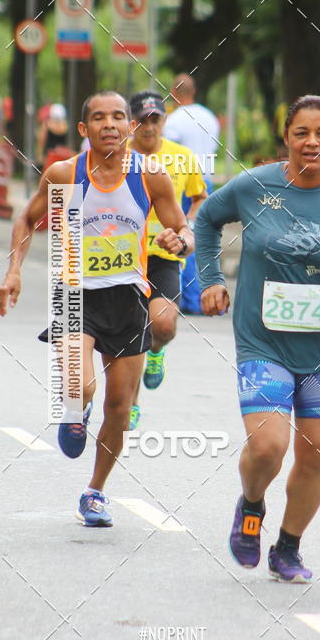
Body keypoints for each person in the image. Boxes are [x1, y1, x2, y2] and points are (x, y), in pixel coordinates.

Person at [195, 95, 320, 581]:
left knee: (316, 454)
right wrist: (211, 280)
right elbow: (205, 219)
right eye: (301, 132)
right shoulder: (254, 185)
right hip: (262, 340)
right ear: (286, 136)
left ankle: (288, 547)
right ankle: (251, 504)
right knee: (268, 445)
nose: (312, 142)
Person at [0, 91, 193, 528]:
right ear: (83, 129)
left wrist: (179, 240)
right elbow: (26, 219)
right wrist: (14, 272)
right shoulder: (65, 174)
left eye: (118, 117)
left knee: (119, 407)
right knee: (80, 386)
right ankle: (75, 407)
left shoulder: (150, 176)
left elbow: (182, 228)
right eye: (99, 118)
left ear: (130, 126)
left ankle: (95, 491)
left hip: (128, 296)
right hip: (74, 293)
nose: (110, 125)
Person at [128, 90, 207, 429]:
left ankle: (156, 351)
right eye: (142, 121)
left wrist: (187, 227)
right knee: (130, 335)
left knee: (162, 325)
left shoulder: (181, 157)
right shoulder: (117, 157)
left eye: (155, 120)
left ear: (164, 121)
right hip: (125, 258)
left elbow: (199, 196)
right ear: (132, 124)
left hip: (164, 255)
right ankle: (130, 403)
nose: (149, 127)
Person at [164, 73, 220, 313]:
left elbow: (168, 154)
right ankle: (204, 298)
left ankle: (188, 299)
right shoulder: (210, 117)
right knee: (204, 238)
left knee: (183, 237)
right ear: (193, 91)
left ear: (173, 93)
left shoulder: (174, 120)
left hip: (183, 184)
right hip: (206, 183)